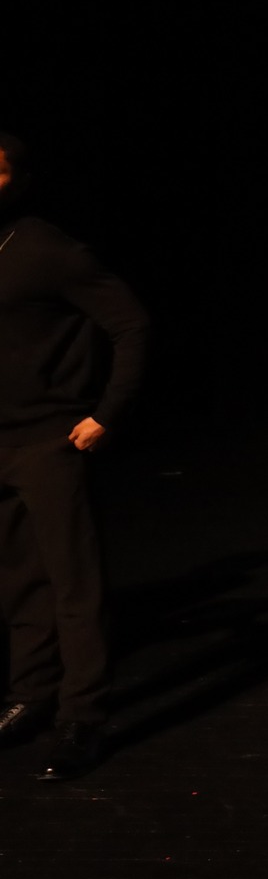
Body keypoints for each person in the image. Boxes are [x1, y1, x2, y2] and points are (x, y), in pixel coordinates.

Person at [0, 131, 148, 781]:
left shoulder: (42, 247)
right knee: (19, 576)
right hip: (0, 440)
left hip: (48, 439)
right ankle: (31, 691)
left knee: (72, 581)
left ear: (14, 179)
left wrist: (105, 412)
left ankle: (82, 714)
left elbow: (131, 322)